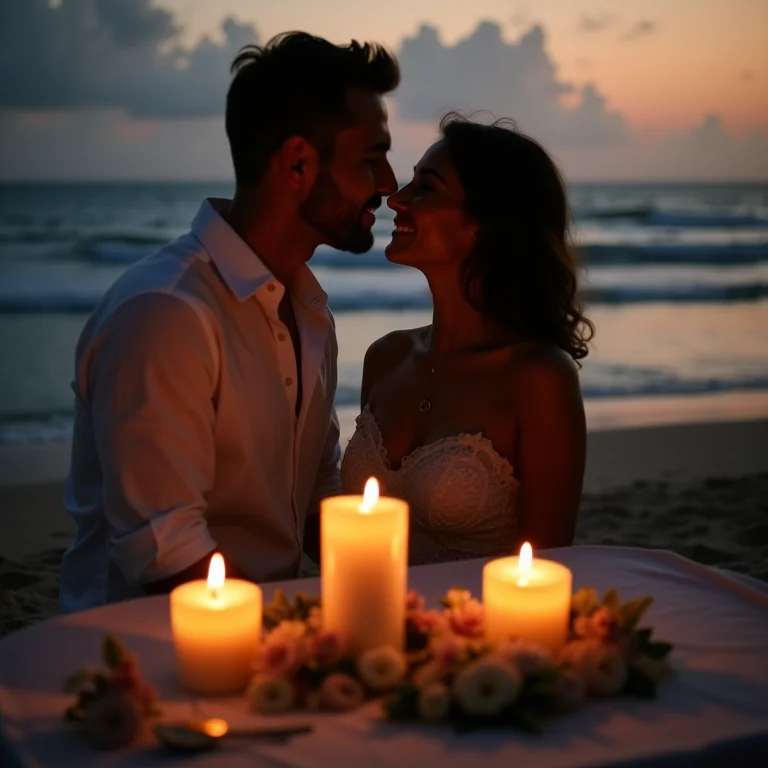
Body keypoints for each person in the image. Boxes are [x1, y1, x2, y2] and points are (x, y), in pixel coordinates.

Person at [59, 32, 399, 611]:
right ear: (297, 163)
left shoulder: (308, 308)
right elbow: (166, 553)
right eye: (371, 159)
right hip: (146, 653)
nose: (388, 184)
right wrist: (297, 638)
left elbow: (314, 488)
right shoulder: (167, 314)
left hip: (261, 639)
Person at [341, 113, 593, 565]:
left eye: (426, 187)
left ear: (486, 224)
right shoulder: (386, 357)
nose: (396, 200)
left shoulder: (539, 378)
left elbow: (545, 569)